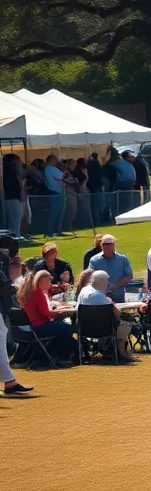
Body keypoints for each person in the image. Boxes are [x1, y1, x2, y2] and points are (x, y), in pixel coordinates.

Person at [17, 269, 75, 366]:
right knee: (66, 327)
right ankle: (63, 357)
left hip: (32, 327)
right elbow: (46, 313)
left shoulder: (25, 294)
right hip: (40, 326)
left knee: (60, 326)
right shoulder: (37, 293)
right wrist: (60, 312)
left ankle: (55, 353)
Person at [76, 270, 137, 362]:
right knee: (125, 324)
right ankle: (121, 353)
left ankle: (106, 348)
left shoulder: (84, 290)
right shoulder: (99, 296)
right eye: (106, 281)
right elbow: (117, 313)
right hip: (104, 329)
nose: (107, 283)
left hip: (84, 328)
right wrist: (110, 301)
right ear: (102, 282)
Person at [0, 235, 33, 394]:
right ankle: (9, 382)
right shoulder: (3, 259)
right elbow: (3, 288)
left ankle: (9, 381)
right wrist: (15, 286)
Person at [87, 234, 134, 304]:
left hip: (119, 297)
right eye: (104, 244)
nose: (106, 246)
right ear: (101, 246)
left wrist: (115, 286)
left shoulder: (123, 259)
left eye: (109, 244)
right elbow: (91, 278)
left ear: (114, 245)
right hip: (101, 297)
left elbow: (129, 276)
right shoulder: (94, 260)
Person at [42, 154, 68, 236]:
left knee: (59, 212)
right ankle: (50, 231)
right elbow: (61, 178)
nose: (57, 161)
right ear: (51, 160)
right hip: (55, 193)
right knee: (54, 213)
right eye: (55, 159)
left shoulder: (54, 169)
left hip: (59, 192)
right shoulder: (50, 169)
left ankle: (57, 230)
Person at [3, 154, 24, 237]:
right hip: (12, 198)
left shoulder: (9, 173)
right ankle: (14, 237)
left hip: (12, 198)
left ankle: (14, 236)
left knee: (15, 220)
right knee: (15, 220)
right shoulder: (11, 173)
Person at [86, 152, 106, 223]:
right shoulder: (96, 164)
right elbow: (101, 173)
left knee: (94, 205)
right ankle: (98, 220)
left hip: (92, 186)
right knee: (98, 204)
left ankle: (96, 220)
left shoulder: (89, 164)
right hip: (97, 186)